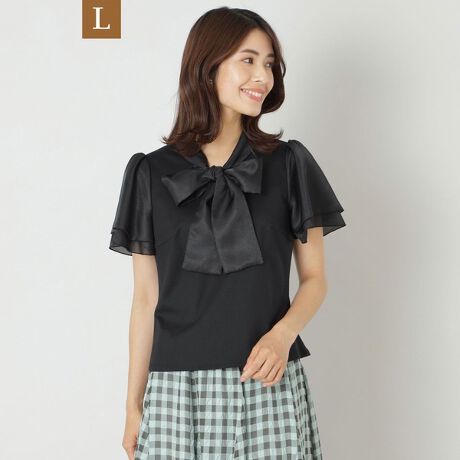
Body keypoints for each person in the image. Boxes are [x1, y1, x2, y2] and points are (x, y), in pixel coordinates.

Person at [109, 6, 346, 460]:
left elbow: (315, 279)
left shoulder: (289, 164)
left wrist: (282, 335)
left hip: (267, 379)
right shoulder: (150, 173)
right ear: (208, 66)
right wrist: (133, 406)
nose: (263, 76)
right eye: (248, 60)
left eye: (270, 64)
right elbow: (145, 300)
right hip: (176, 391)